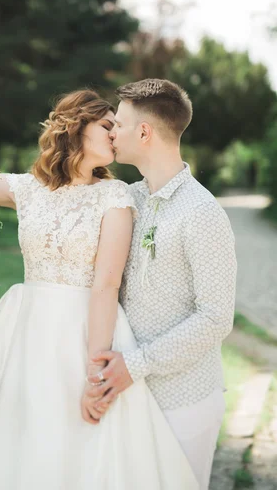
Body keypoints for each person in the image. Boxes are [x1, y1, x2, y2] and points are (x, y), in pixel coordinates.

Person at [0, 89, 198, 490]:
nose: (115, 135)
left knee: (74, 437)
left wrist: (96, 376)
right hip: (22, 328)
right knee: (16, 433)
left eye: (118, 127)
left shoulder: (113, 195)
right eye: (107, 125)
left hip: (80, 332)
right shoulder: (27, 189)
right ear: (76, 127)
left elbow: (106, 285)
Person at [86, 79, 237, 490]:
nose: (111, 132)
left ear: (145, 132)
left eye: (118, 124)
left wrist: (134, 365)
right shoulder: (125, 198)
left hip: (183, 401)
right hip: (128, 400)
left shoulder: (202, 213)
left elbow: (216, 317)